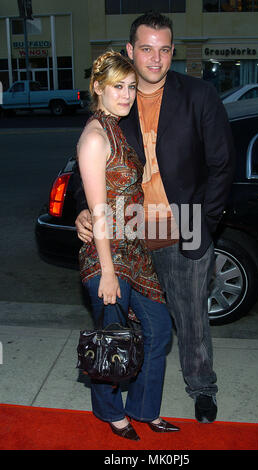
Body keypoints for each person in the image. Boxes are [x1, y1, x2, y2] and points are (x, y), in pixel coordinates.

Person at [74, 12, 235, 424]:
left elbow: (221, 165)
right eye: (146, 48)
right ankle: (126, 401)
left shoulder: (198, 95)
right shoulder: (119, 100)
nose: (155, 58)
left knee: (193, 319)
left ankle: (202, 388)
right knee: (139, 325)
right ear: (131, 50)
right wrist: (82, 209)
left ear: (172, 52)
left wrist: (205, 224)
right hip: (129, 235)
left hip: (184, 228)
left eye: (164, 49)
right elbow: (89, 165)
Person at [76, 50, 179, 441]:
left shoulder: (118, 127)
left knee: (158, 330)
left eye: (131, 86)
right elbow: (98, 209)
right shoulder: (95, 136)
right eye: (118, 86)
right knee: (113, 340)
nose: (126, 94)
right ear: (98, 88)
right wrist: (105, 271)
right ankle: (111, 413)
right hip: (109, 257)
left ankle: (144, 408)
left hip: (134, 251)